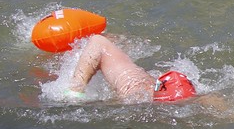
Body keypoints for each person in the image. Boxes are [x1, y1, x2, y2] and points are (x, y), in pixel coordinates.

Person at [63, 34, 197, 102]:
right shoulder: (134, 95)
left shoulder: (192, 100)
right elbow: (98, 41)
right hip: (129, 78)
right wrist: (76, 91)